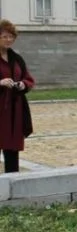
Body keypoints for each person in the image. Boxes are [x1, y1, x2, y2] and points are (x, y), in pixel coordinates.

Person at [0, 20, 35, 174]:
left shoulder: (17, 58)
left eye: (11, 37)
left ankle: (12, 184)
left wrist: (22, 84)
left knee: (12, 149)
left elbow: (29, 79)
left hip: (14, 112)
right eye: (5, 36)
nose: (9, 40)